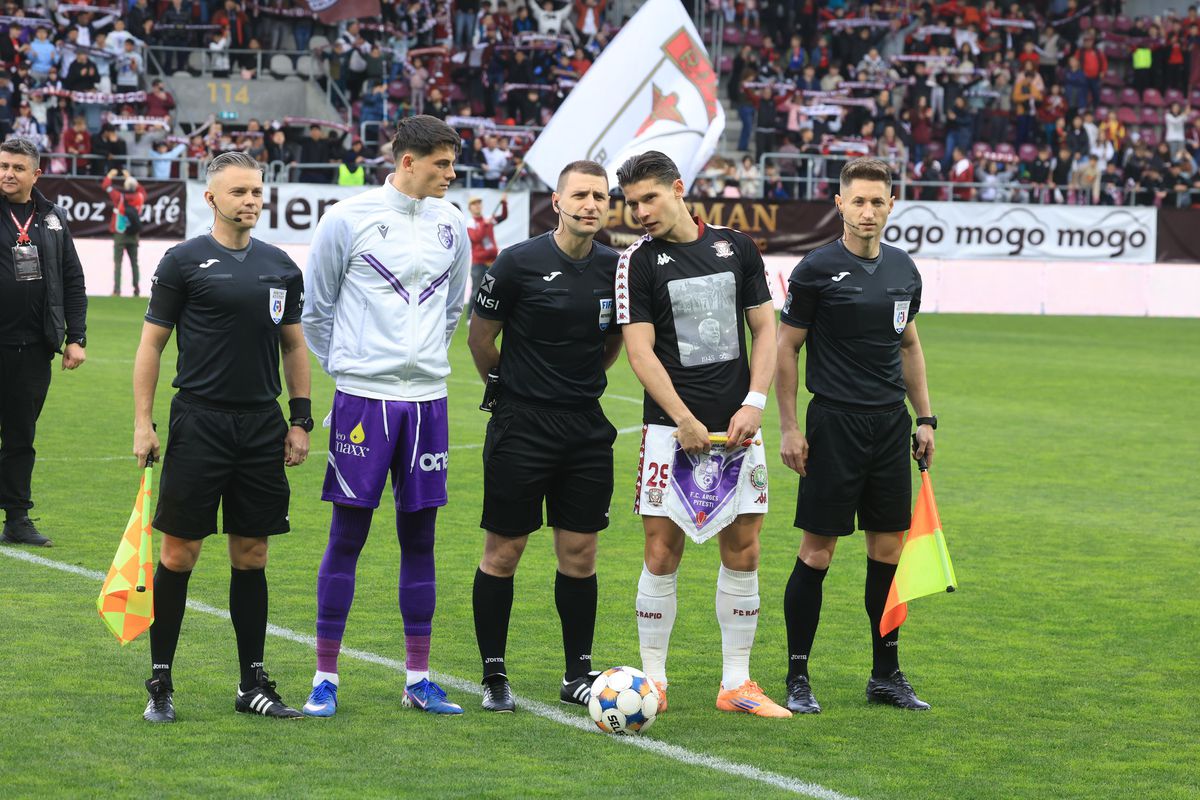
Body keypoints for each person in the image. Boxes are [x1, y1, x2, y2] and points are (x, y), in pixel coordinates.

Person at [132, 151, 311, 723]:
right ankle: (161, 680)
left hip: (261, 426)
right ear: (211, 198)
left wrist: (300, 419)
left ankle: (251, 683)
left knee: (251, 554)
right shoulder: (183, 262)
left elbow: (294, 346)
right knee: (179, 553)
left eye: (257, 191)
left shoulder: (281, 266)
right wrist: (143, 421)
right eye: (239, 192)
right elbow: (152, 346)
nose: (252, 201)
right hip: (200, 421)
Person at [300, 115, 469, 718]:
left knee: (419, 535)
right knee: (348, 533)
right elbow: (315, 310)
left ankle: (417, 679)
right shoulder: (347, 219)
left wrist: (421, 366)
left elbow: (454, 307)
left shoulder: (453, 222)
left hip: (429, 402)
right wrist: (353, 369)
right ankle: (325, 678)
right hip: (362, 401)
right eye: (442, 163)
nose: (451, 174)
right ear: (407, 161)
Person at [615, 150, 790, 719]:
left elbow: (766, 329)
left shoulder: (736, 246)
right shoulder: (636, 263)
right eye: (631, 203)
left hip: (739, 431)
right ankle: (654, 684)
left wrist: (754, 402)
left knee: (744, 550)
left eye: (649, 198)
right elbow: (639, 351)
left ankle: (736, 683)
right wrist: (683, 417)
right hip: (670, 433)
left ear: (678, 188)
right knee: (661, 552)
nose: (639, 211)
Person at [775, 157, 936, 715]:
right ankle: (798, 676)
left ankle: (886, 673)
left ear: (892, 204)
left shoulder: (903, 270)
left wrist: (925, 417)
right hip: (834, 424)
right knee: (818, 551)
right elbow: (787, 347)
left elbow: (909, 345)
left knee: (888, 550)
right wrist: (791, 427)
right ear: (839, 204)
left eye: (878, 201)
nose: (868, 211)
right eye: (858, 201)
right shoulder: (816, 269)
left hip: (889, 424)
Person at [466, 161, 622, 713]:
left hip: (585, 427)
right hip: (521, 425)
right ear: (556, 201)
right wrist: (510, 387)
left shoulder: (615, 268)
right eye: (579, 194)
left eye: (600, 196)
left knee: (579, 556)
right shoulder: (518, 263)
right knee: (503, 553)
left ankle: (576, 673)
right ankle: (494, 674)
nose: (590, 204)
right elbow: (481, 338)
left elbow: (612, 344)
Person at [0, 137, 86, 547]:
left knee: (21, 436)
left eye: (17, 168)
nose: (7, 174)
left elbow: (72, 279)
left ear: (36, 174)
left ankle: (17, 519)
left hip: (34, 348)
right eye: (2, 165)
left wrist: (76, 337)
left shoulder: (52, 218)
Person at [102, 168, 146, 296]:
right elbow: (141, 189)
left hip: (120, 233)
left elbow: (106, 186)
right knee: (134, 263)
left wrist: (110, 175)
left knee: (118, 263)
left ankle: (117, 290)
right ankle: (136, 289)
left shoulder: (119, 197)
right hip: (134, 234)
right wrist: (130, 177)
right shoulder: (140, 196)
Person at [466, 192, 508, 306]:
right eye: (474, 204)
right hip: (479, 264)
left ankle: (482, 315)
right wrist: (485, 225)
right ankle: (470, 316)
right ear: (470, 208)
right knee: (476, 291)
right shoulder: (470, 223)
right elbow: (476, 238)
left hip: (491, 262)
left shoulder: (488, 219)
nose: (477, 206)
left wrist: (504, 203)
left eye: (479, 203)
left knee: (487, 291)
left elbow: (503, 216)